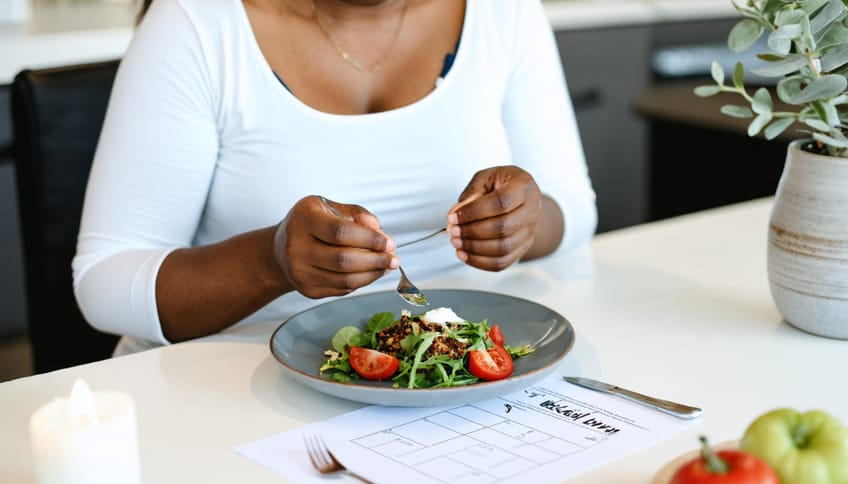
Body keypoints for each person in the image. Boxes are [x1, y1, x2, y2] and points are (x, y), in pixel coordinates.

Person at [72, 0, 597, 355]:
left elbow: (571, 204)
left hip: (454, 381)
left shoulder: (504, 12)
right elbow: (104, 280)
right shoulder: (196, 22)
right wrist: (270, 261)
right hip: (228, 385)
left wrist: (525, 221)